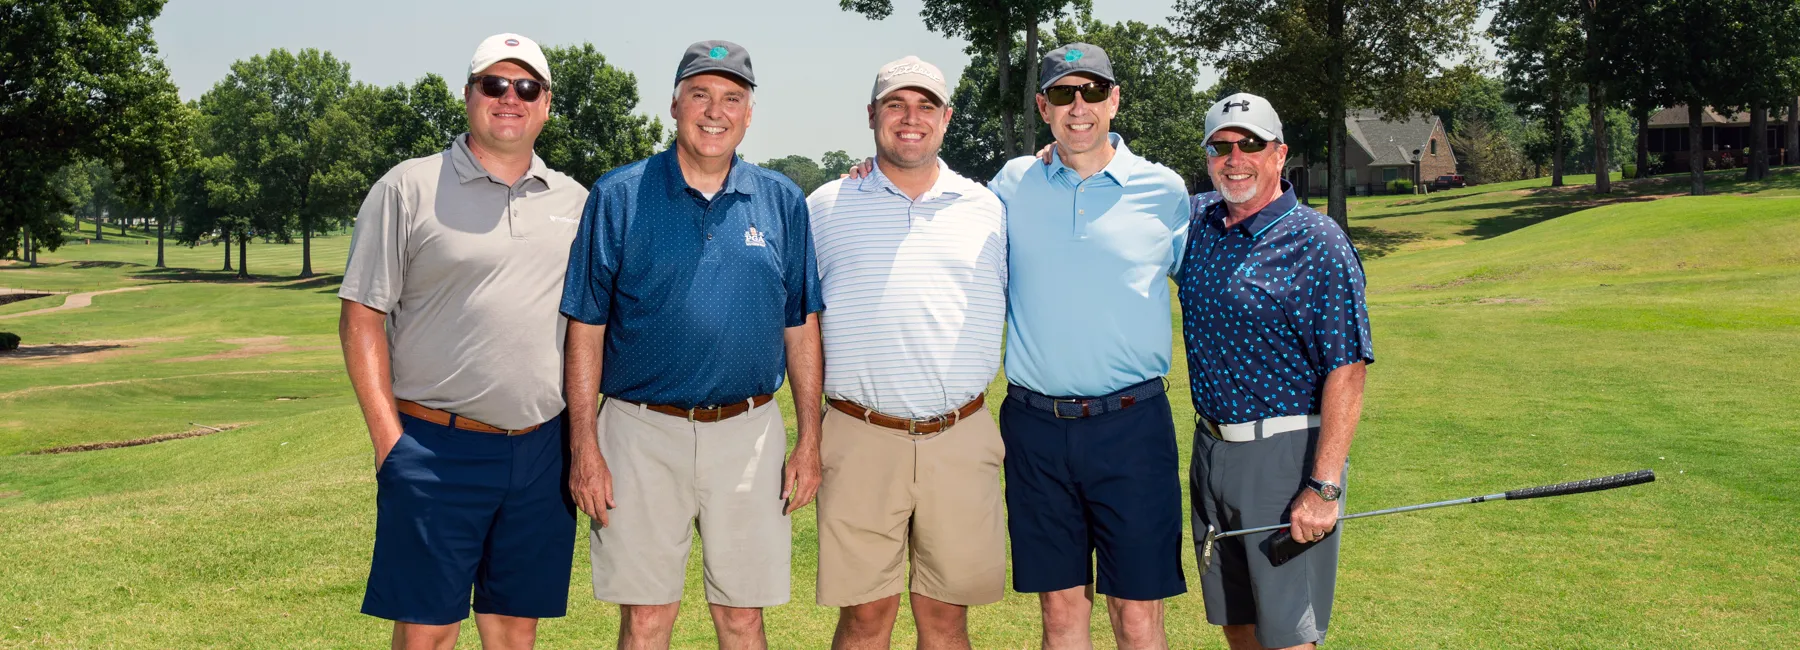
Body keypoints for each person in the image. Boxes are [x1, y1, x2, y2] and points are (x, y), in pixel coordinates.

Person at [559, 40, 825, 650]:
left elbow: (799, 325)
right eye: (700, 94)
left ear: (749, 113)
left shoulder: (780, 199)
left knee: (743, 618)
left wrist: (810, 438)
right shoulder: (620, 195)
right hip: (639, 431)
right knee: (647, 619)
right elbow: (586, 326)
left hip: (750, 433)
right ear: (674, 104)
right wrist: (584, 446)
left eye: (732, 98)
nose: (715, 111)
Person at [339, 33, 585, 650]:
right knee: (428, 631)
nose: (510, 98)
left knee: (512, 629)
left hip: (540, 451)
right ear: (470, 94)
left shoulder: (578, 202)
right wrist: (388, 442)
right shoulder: (408, 187)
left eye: (526, 87)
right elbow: (362, 312)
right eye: (494, 85)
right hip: (433, 445)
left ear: (547, 105)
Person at [988, 43, 1191, 650]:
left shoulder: (1164, 191)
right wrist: (869, 171)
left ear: (1115, 100)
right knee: (1060, 615)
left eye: (1093, 92)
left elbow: (1211, 285)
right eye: (1062, 94)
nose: (1079, 107)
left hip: (1132, 427)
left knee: (1136, 616)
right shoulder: (1010, 185)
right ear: (1043, 106)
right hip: (1035, 428)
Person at [806, 56, 1008, 650]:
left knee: (946, 621)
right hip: (860, 433)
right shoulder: (825, 207)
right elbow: (800, 324)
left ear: (946, 119)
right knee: (865, 618)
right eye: (895, 104)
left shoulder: (989, 208)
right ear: (872, 116)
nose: (910, 119)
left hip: (960, 434)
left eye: (925, 107)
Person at [1181, 92, 1373, 650]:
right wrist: (1065, 152)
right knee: (1235, 623)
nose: (1235, 158)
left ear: (1279, 153)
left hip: (1285, 457)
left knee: (1288, 634)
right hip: (1210, 450)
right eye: (1221, 147)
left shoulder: (1318, 241)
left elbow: (1349, 368)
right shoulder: (1199, 222)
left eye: (1251, 145)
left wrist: (1324, 485)